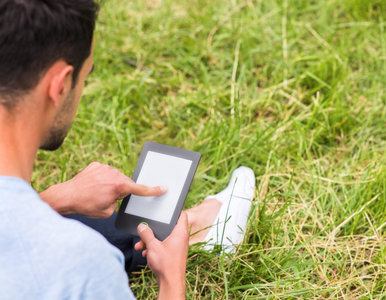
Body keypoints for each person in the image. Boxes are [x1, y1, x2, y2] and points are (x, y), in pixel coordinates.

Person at [0, 0, 255, 299]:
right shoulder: (81, 266)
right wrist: (172, 280)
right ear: (60, 84)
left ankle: (198, 225)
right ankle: (197, 230)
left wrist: (53, 200)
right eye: (86, 76)